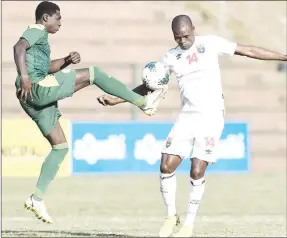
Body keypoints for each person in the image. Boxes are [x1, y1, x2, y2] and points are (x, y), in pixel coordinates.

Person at [97, 14, 287, 237]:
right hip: (187, 117)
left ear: (194, 29)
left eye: (186, 36)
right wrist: (119, 99)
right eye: (178, 37)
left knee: (197, 170)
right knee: (166, 166)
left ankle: (189, 224)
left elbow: (249, 50)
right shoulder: (170, 57)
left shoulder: (211, 43)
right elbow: (149, 85)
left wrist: (284, 57)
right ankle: (171, 215)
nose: (183, 41)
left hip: (211, 117)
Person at [14, 1, 168, 224]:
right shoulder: (35, 30)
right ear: (45, 18)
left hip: (30, 97)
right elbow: (18, 47)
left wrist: (66, 60)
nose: (60, 22)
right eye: (58, 18)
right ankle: (142, 102)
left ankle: (36, 197)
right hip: (36, 87)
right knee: (94, 73)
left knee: (60, 146)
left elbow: (45, 67)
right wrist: (26, 77)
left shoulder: (40, 40)